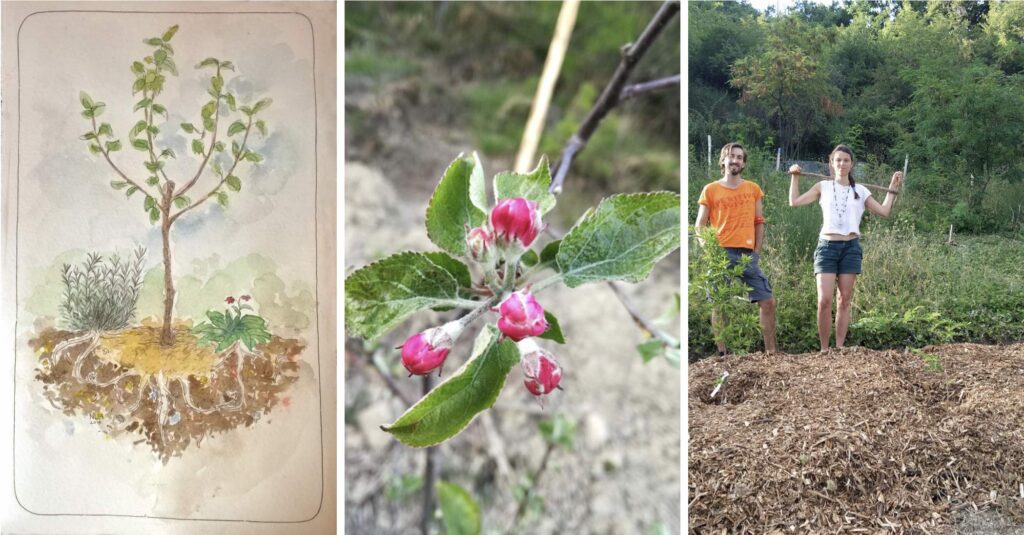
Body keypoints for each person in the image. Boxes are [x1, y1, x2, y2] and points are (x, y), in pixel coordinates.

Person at [788, 144, 902, 352]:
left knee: (844, 300)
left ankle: (840, 348)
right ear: (831, 163)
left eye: (846, 160)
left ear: (851, 165)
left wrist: (893, 188)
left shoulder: (860, 190)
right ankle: (824, 349)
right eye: (838, 160)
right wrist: (795, 177)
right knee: (824, 300)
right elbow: (794, 202)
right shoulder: (822, 186)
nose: (842, 164)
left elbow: (884, 212)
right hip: (827, 247)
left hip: (850, 248)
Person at [695, 142, 777, 354]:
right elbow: (699, 226)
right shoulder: (710, 190)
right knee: (720, 304)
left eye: (739, 157)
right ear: (723, 160)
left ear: (743, 163)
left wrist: (756, 252)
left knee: (767, 301)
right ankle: (723, 354)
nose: (735, 160)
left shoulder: (753, 189)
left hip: (747, 255)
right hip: (720, 253)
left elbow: (759, 221)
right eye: (731, 156)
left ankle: (771, 353)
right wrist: (710, 251)